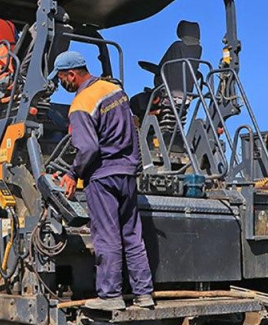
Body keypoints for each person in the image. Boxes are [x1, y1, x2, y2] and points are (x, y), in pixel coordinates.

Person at [51, 50, 155, 310]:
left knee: (106, 236)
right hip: (127, 173)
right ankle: (144, 295)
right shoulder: (116, 91)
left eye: (62, 78)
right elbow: (133, 130)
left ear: (72, 74)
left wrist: (73, 173)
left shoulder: (81, 103)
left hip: (103, 176)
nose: (61, 83)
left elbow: (88, 149)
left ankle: (110, 297)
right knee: (132, 235)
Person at [129, 20, 203, 119]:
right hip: (187, 96)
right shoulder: (197, 51)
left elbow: (162, 68)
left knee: (136, 101)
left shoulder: (177, 46)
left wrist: (146, 66)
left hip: (167, 93)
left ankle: (146, 124)